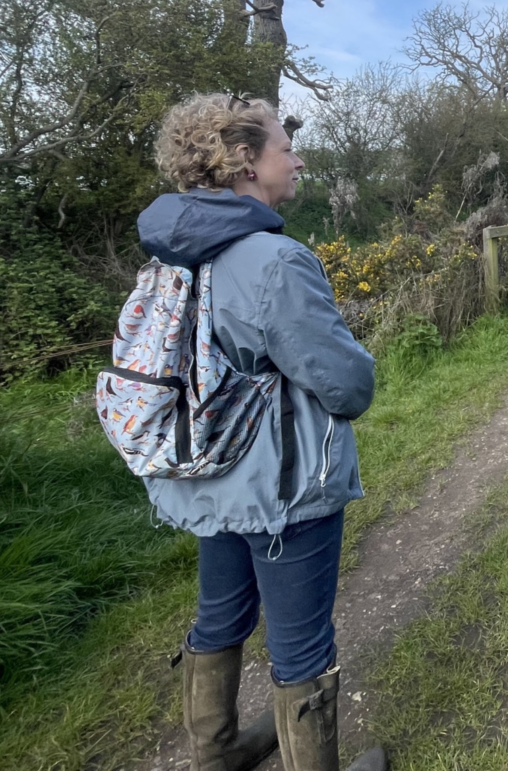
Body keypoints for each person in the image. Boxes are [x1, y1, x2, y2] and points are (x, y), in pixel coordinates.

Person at [137, 94, 386, 771]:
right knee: (301, 646)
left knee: (218, 616)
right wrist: (359, 357)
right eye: (284, 145)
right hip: (281, 486)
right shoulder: (274, 259)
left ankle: (217, 752)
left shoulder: (171, 251)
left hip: (210, 474)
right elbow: (347, 384)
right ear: (244, 162)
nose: (297, 157)